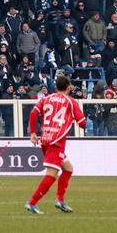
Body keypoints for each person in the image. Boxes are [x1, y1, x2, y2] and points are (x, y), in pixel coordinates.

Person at [25, 73, 86, 214]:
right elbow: (82, 123)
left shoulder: (46, 99)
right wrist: (80, 119)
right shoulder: (71, 101)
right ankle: (32, 202)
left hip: (45, 139)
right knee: (52, 173)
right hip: (56, 142)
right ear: (68, 87)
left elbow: (33, 113)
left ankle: (60, 200)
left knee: (68, 168)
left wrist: (33, 133)